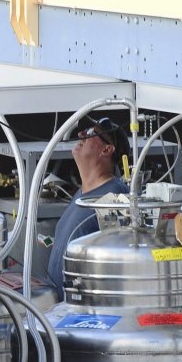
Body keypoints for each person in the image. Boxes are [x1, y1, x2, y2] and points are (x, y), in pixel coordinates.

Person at [47, 116, 131, 298]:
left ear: (107, 149)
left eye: (91, 133)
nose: (81, 135)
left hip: (82, 307)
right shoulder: (81, 194)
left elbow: (119, 261)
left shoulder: (114, 197)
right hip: (60, 306)